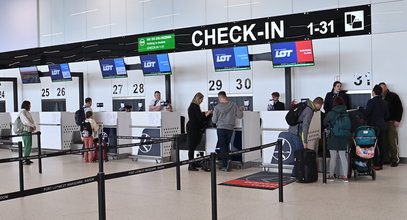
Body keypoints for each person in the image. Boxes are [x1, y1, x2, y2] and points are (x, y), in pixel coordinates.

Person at [289, 97, 324, 177]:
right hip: (296, 132)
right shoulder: (309, 110)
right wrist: (305, 142)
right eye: (321, 106)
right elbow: (305, 127)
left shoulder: (306, 105)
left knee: (299, 154)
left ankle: (296, 173)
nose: (321, 108)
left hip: (293, 130)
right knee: (300, 154)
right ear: (318, 104)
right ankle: (295, 173)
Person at [212, 91, 244, 172]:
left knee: (222, 146)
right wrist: (240, 109)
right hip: (230, 128)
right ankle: (229, 159)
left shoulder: (217, 107)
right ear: (225, 96)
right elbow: (240, 115)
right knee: (227, 145)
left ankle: (225, 165)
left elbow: (214, 120)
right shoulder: (233, 105)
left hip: (221, 128)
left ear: (219, 98)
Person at [323, 97, 350, 182]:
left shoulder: (331, 113)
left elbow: (324, 122)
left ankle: (331, 175)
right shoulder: (346, 112)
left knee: (333, 157)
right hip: (344, 137)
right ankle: (345, 176)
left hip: (333, 136)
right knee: (343, 156)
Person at [364, 85, 389, 170]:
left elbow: (367, 113)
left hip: (373, 127)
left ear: (373, 92)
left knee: (373, 146)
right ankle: (381, 163)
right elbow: (387, 116)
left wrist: (361, 110)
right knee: (381, 145)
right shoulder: (385, 102)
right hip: (382, 126)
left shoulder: (371, 101)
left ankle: (376, 164)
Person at [186, 92, 212, 171]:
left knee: (192, 146)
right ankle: (191, 165)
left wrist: (204, 113)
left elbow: (198, 116)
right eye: (201, 99)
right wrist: (206, 115)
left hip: (193, 127)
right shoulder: (194, 107)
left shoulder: (193, 106)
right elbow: (199, 119)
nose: (202, 101)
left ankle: (192, 163)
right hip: (193, 128)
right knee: (192, 146)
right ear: (198, 98)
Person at [379, 82, 403, 167]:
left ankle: (394, 159)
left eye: (383, 87)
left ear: (386, 87)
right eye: (380, 88)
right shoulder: (378, 97)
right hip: (382, 122)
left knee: (392, 141)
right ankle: (386, 159)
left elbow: (399, 108)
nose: (382, 90)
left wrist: (397, 120)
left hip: (391, 122)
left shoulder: (393, 96)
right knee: (383, 142)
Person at [19, 100, 36, 165]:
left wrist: (33, 126)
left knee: (28, 145)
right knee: (27, 145)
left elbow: (30, 120)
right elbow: (26, 121)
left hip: (28, 130)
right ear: (26, 105)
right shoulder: (22, 112)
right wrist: (32, 126)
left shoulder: (26, 112)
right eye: (29, 105)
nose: (30, 106)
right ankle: (25, 159)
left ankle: (27, 158)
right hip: (25, 130)